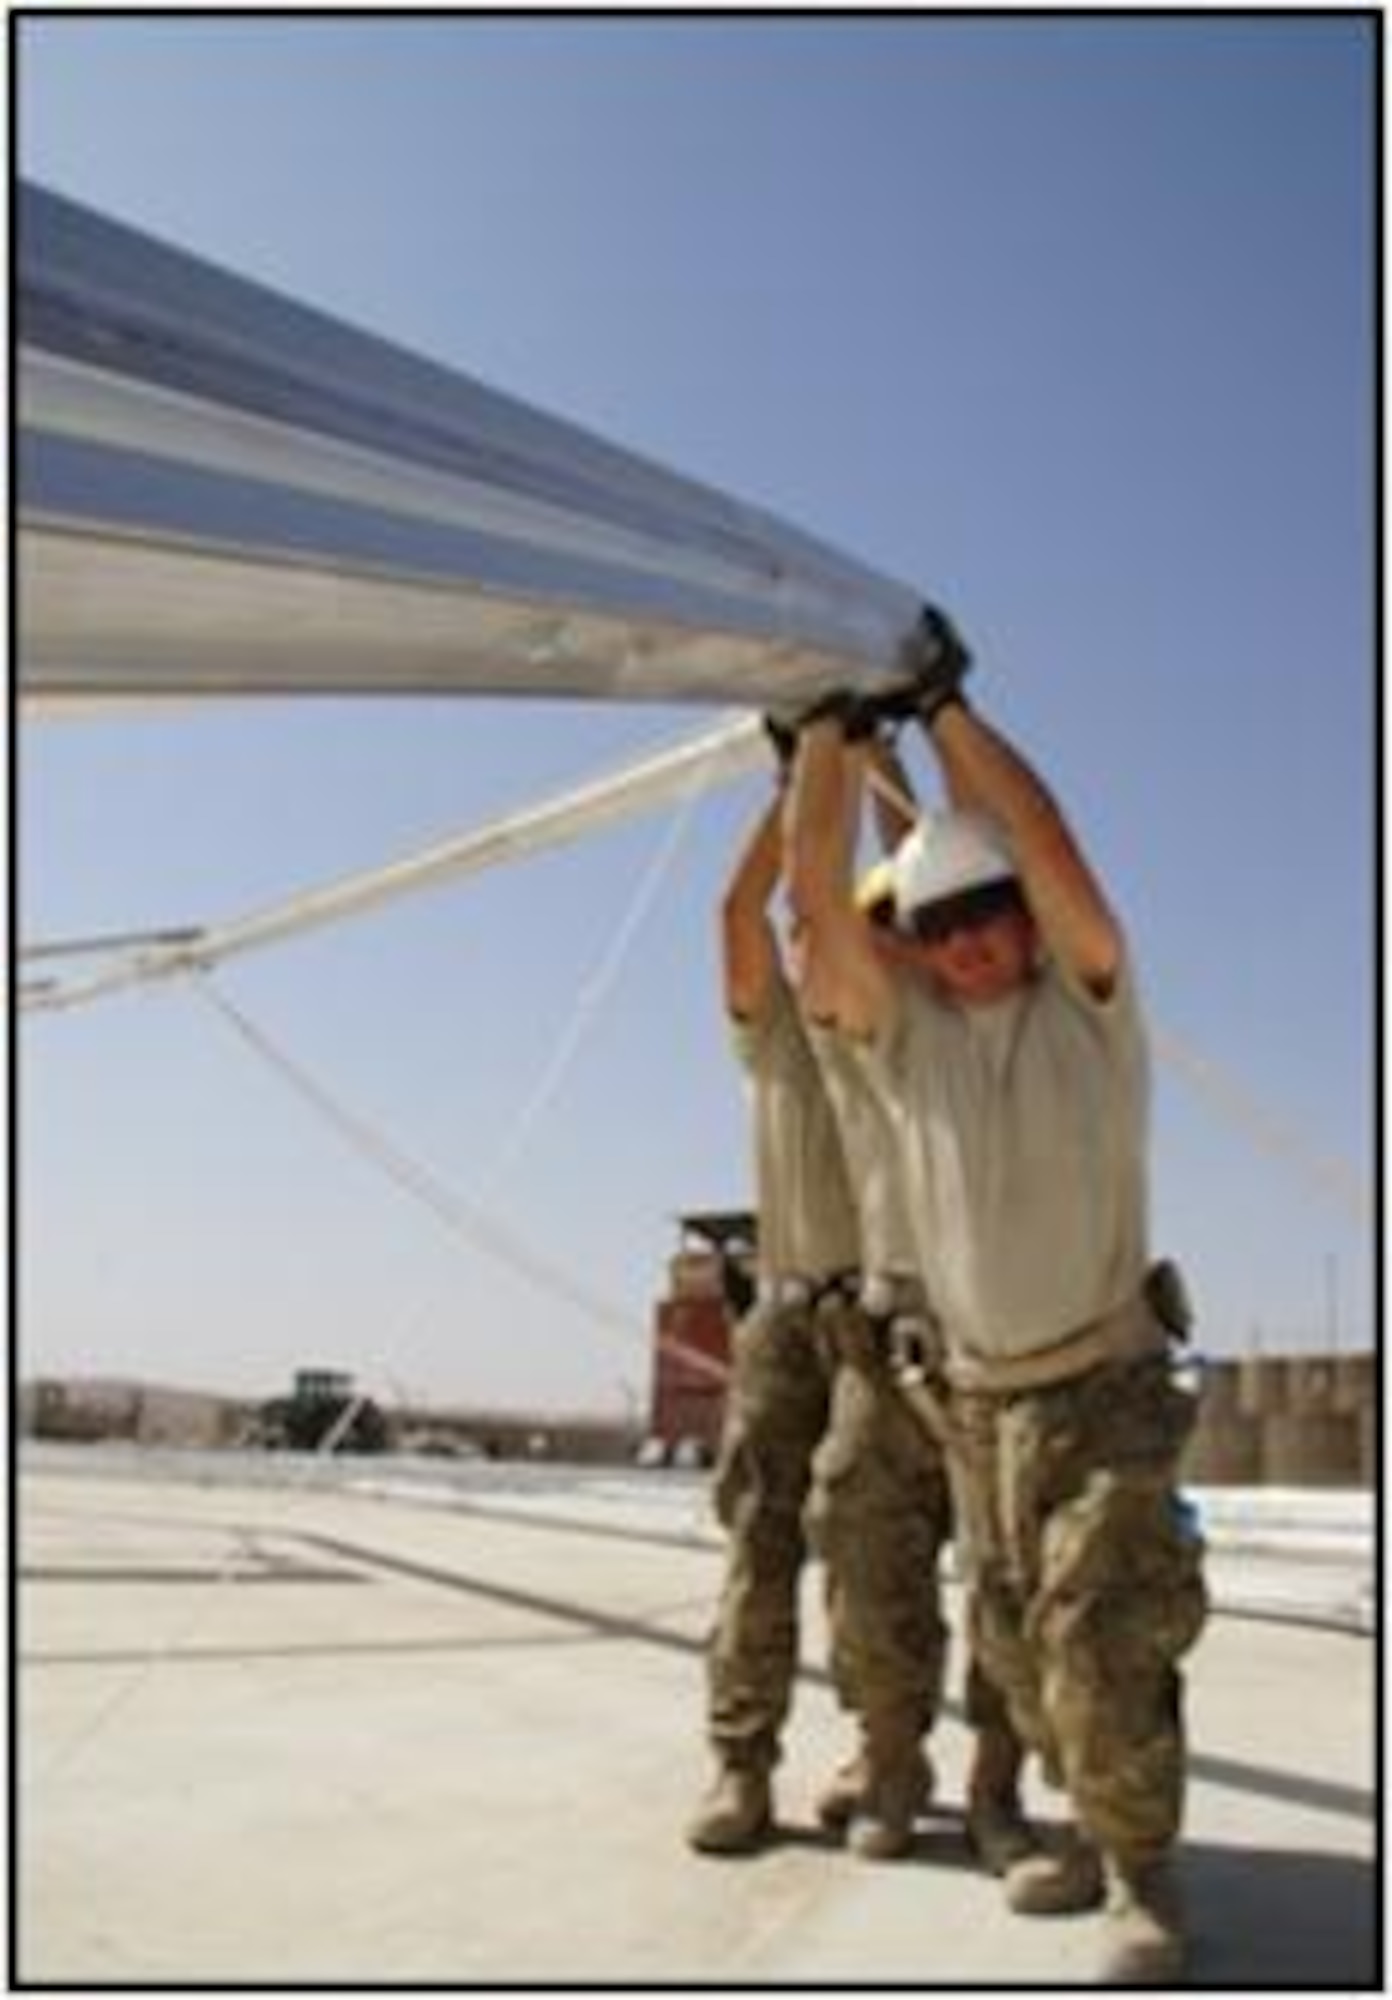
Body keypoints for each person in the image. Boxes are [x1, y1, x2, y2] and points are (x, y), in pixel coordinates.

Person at [785, 619, 1208, 1983]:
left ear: (1024, 917)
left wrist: (945, 712)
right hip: (980, 1403)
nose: (964, 943)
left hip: (1107, 1380)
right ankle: (1086, 1826)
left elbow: (1054, 841)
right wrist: (830, 751)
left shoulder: (1092, 1009)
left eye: (985, 913)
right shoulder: (907, 1048)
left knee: (1104, 1621)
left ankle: (1142, 1879)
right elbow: (812, 909)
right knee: (1019, 1643)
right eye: (937, 924)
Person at [688, 757, 946, 1860]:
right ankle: (741, 1761)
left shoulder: (915, 1030)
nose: (818, 938)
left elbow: (936, 870)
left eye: (844, 925)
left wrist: (883, 770)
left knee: (872, 1536)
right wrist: (797, 785)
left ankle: (888, 1755)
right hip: (782, 1317)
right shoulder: (773, 1038)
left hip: (877, 1318)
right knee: (758, 1533)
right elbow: (739, 906)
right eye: (811, 930)